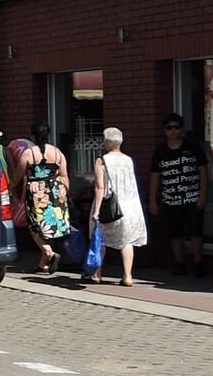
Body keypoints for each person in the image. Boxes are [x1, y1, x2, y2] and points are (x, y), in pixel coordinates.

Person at [148, 114, 206, 277]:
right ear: (165, 131)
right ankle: (179, 263)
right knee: (175, 232)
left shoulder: (192, 147)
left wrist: (203, 194)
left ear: (182, 129)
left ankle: (198, 263)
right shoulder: (160, 151)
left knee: (195, 231)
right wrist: (152, 201)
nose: (173, 131)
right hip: (170, 199)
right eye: (169, 128)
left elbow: (203, 171)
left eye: (177, 127)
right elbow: (155, 177)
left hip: (192, 196)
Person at [88, 127, 147, 286]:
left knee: (100, 238)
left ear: (106, 142)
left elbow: (100, 187)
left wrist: (97, 210)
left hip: (109, 205)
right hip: (129, 206)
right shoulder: (128, 160)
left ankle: (97, 273)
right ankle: (128, 276)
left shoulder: (102, 160)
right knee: (126, 240)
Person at [16, 124, 71, 273]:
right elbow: (64, 176)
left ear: (33, 136)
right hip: (56, 192)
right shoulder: (58, 153)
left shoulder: (28, 154)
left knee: (35, 227)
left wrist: (10, 189)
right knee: (49, 226)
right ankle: (43, 264)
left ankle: (49, 253)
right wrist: (66, 195)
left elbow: (17, 176)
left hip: (37, 193)